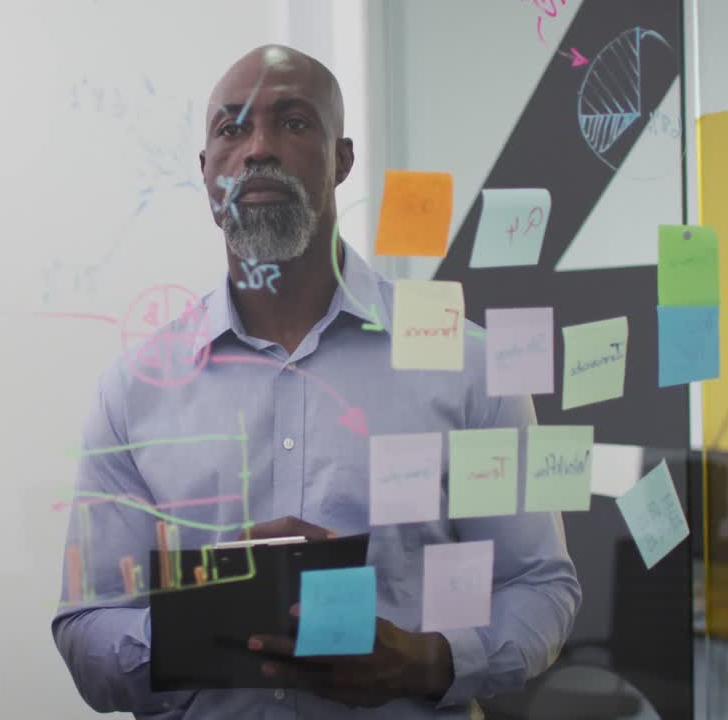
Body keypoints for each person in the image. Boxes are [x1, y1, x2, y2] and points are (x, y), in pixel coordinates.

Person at [52, 45, 580, 718]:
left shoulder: (468, 368)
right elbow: (87, 627)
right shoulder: (134, 391)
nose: (258, 149)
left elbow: (539, 585)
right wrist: (204, 621)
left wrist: (423, 661)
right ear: (206, 173)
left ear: (342, 160)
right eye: (231, 129)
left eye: (294, 122)